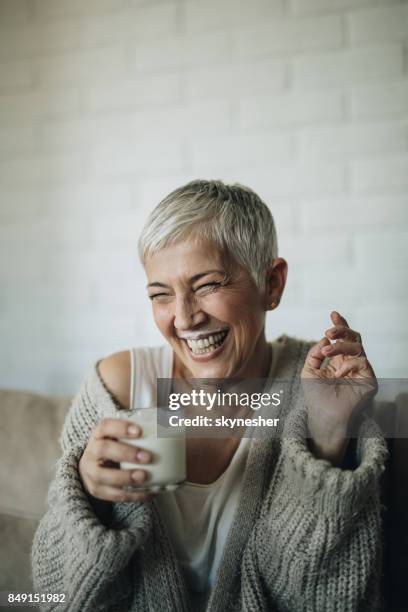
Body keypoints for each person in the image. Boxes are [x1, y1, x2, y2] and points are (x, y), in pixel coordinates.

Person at [31, 179, 387, 611]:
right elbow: (55, 597)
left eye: (207, 285)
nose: (183, 318)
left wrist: (327, 439)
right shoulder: (120, 386)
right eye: (160, 294)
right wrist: (89, 498)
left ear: (271, 284)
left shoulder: (318, 387)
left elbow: (332, 598)